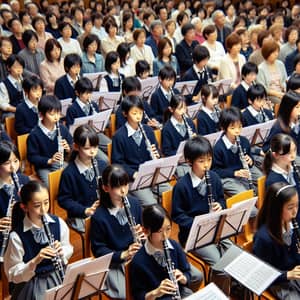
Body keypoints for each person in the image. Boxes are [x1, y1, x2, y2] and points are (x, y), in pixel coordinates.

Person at [172, 136, 232, 294]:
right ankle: (216, 296)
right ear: (190, 162)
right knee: (222, 268)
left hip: (216, 229)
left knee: (236, 258)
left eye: (209, 160)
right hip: (194, 236)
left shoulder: (214, 178)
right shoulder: (182, 186)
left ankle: (224, 290)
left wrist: (221, 205)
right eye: (201, 161)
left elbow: (221, 199)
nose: (207, 165)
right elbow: (177, 216)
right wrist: (198, 223)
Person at [4, 180, 73, 300]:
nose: (43, 210)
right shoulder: (16, 236)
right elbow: (12, 274)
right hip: (32, 283)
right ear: (24, 207)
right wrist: (35, 261)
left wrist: (62, 251)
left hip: (57, 275)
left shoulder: (58, 223)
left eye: (46, 203)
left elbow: (68, 248)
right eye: (37, 206)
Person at [91, 164, 144, 299]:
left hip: (136, 255)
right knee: (124, 294)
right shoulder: (99, 216)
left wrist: (144, 235)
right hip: (114, 261)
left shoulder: (135, 204)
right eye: (117, 187)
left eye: (125, 185)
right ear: (106, 188)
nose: (123, 191)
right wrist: (123, 254)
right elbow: (98, 250)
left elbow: (144, 230)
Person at [130, 204, 202, 299]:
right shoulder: (139, 261)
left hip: (180, 292)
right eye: (160, 231)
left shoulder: (175, 246)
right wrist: (155, 292)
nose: (165, 236)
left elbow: (186, 271)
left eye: (168, 229)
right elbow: (138, 295)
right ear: (146, 231)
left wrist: (183, 278)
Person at [112, 95, 169, 206]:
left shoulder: (148, 130)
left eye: (140, 113)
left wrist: (156, 156)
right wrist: (133, 174)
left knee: (170, 192)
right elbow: (117, 164)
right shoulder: (119, 136)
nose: (138, 116)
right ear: (125, 114)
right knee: (151, 203)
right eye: (134, 113)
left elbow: (157, 151)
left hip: (151, 174)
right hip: (133, 178)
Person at [253, 182, 300, 299]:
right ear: (276, 209)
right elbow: (261, 273)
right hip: (277, 280)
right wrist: (287, 275)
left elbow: (293, 257)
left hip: (293, 271)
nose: (295, 212)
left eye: (297, 205)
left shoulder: (293, 225)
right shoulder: (263, 238)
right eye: (290, 207)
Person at [58, 124, 107, 233]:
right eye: (87, 148)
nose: (92, 152)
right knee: (99, 230)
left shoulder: (102, 165)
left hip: (100, 210)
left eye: (95, 147)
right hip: (79, 214)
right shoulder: (69, 173)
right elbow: (64, 200)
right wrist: (85, 210)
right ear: (76, 146)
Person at [213, 106, 262, 196]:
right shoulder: (218, 148)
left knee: (263, 181)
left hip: (242, 171)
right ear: (224, 128)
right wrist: (234, 173)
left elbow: (250, 158)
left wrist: (250, 161)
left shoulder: (244, 141)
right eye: (232, 128)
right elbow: (216, 171)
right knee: (245, 194)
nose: (237, 131)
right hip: (227, 176)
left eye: (239, 127)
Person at [27, 95, 73, 186]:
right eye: (52, 114)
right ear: (41, 115)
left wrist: (68, 149)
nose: (56, 117)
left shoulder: (62, 129)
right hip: (43, 166)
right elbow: (32, 157)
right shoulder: (34, 134)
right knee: (51, 185)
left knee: (72, 176)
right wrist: (49, 160)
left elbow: (71, 145)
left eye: (58, 113)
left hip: (60, 163)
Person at [0, 141, 30, 247]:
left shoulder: (24, 180)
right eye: (7, 163)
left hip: (22, 228)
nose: (13, 167)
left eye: (16, 161)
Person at [263, 134, 300, 219]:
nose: (293, 156)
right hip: (289, 221)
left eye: (294, 150)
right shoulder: (273, 181)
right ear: (276, 155)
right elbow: (277, 213)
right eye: (288, 153)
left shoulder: (292, 169)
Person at [162, 95, 196, 177]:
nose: (183, 112)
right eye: (179, 109)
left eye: (184, 108)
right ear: (171, 109)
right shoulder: (167, 128)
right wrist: (182, 154)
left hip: (192, 159)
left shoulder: (189, 122)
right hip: (178, 164)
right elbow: (167, 152)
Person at [263, 91, 300, 165]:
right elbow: (267, 148)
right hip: (288, 158)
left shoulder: (297, 121)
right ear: (288, 108)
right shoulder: (278, 127)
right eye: (297, 107)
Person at [257, 39, 287, 104]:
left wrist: (284, 87)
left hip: (282, 92)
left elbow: (284, 80)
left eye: (277, 51)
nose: (276, 54)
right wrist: (277, 93)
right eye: (273, 52)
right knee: (282, 102)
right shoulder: (260, 68)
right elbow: (262, 88)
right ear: (267, 53)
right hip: (270, 95)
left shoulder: (280, 64)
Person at [0, 54, 24, 120]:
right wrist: (17, 110)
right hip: (11, 112)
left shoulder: (24, 81)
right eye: (16, 67)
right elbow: (3, 104)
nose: (19, 69)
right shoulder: (3, 84)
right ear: (8, 67)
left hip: (24, 110)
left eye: (21, 66)